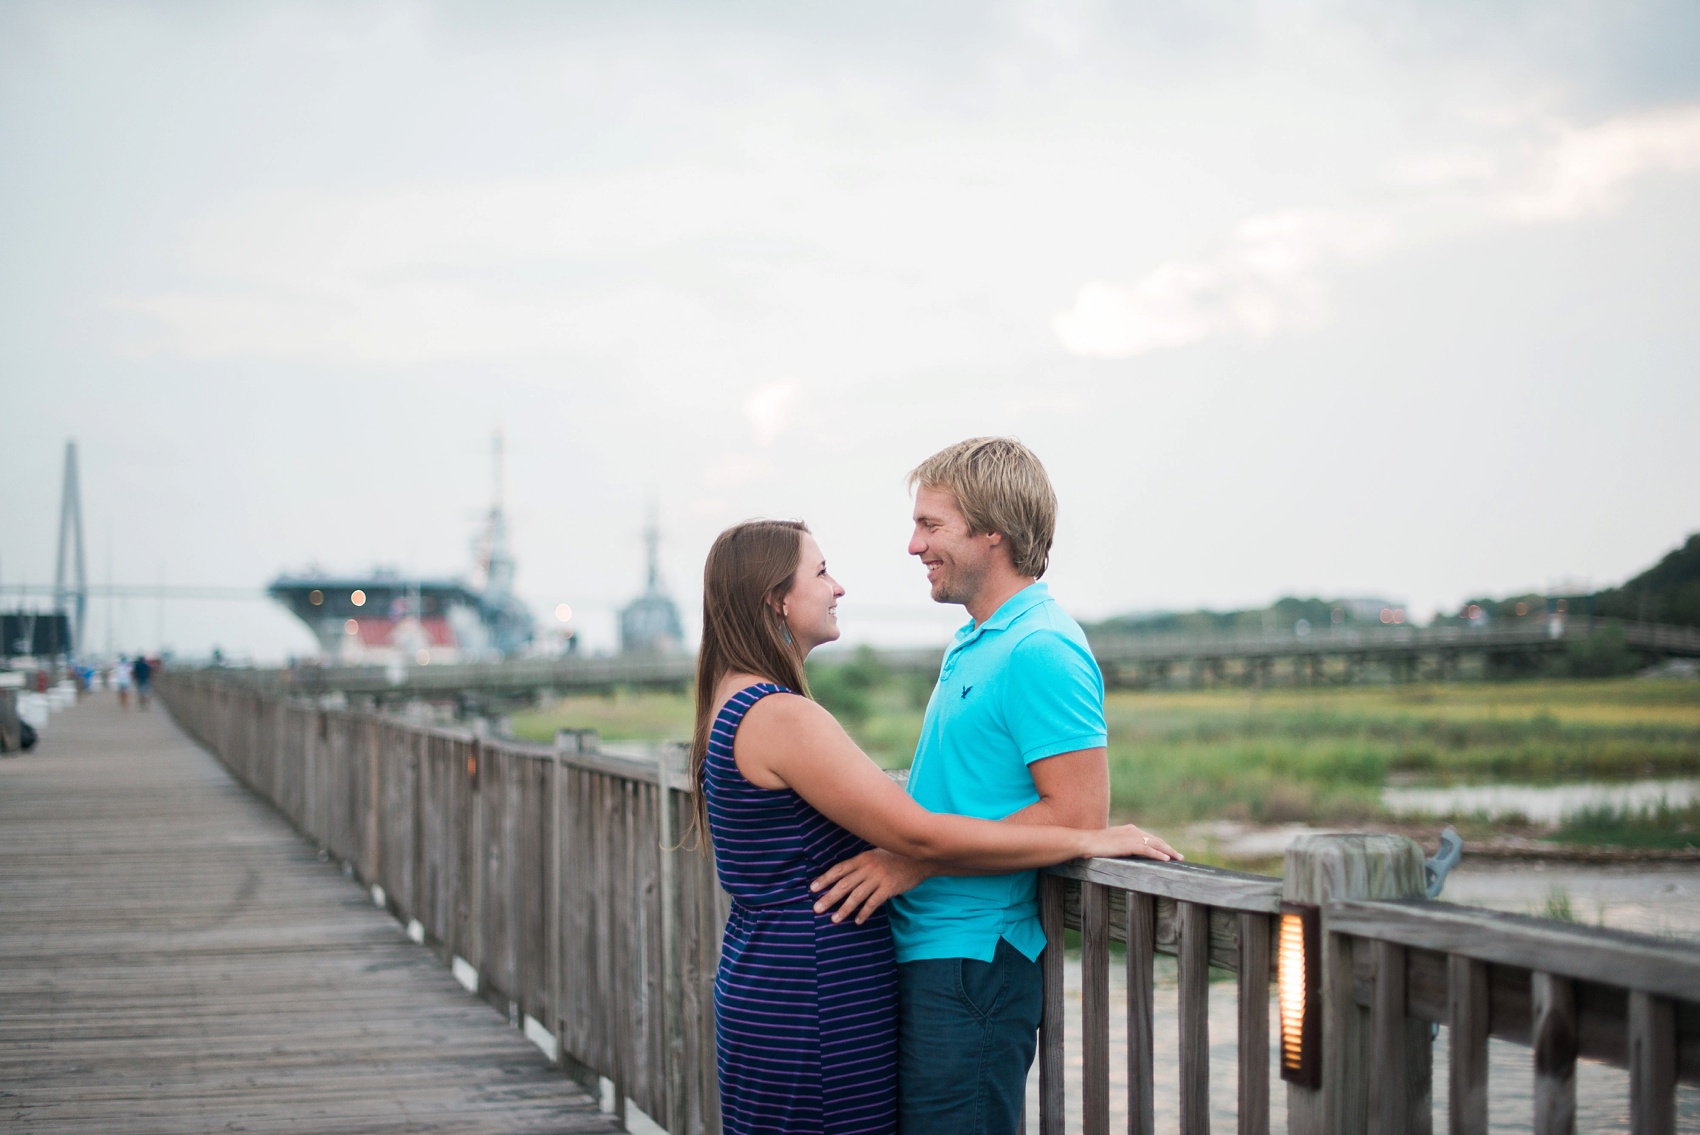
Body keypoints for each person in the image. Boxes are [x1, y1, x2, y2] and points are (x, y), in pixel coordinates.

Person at [695, 519, 1177, 1135]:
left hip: (781, 974)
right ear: (775, 598)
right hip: (812, 989)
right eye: (820, 573)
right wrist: (1087, 836)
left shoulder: (733, 699)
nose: (837, 587)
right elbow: (916, 834)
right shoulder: (781, 715)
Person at [810, 437, 1118, 1135]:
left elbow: (1078, 815)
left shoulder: (1042, 647)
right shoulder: (976, 640)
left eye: (931, 525)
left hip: (976, 962)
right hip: (933, 952)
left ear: (992, 532)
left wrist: (914, 857)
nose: (914, 545)